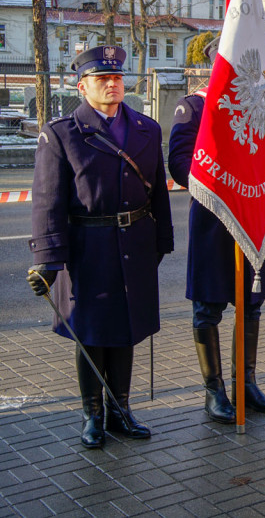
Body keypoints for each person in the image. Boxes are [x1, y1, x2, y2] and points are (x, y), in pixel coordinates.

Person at [27, 45, 173, 449]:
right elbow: (47, 201)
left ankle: (120, 410)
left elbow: (158, 191)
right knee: (91, 332)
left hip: (135, 241)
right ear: (82, 86)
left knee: (125, 329)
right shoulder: (61, 135)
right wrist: (48, 260)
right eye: (102, 79)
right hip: (87, 249)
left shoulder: (146, 128)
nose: (112, 84)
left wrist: (162, 239)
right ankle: (93, 415)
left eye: (117, 77)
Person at [168, 37, 265, 423]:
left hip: (256, 221)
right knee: (207, 309)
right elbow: (179, 163)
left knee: (252, 306)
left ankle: (247, 382)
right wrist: (228, 177)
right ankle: (214, 392)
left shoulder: (261, 107)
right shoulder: (194, 107)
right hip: (214, 223)